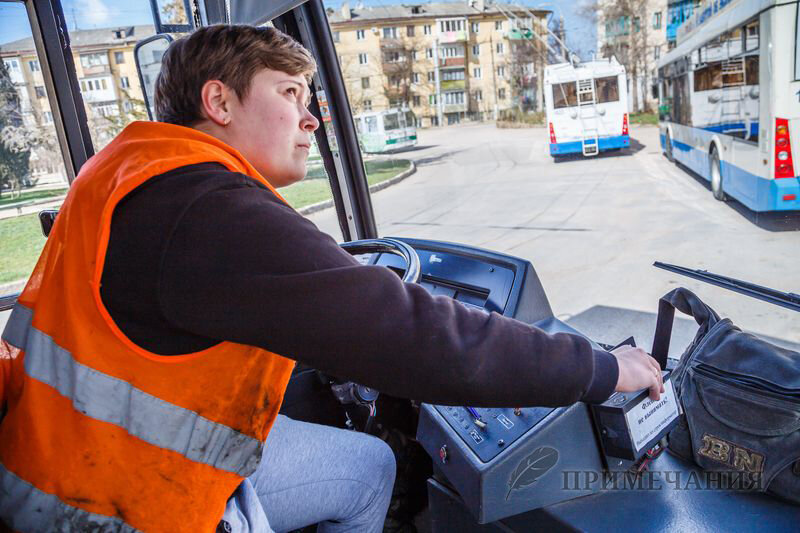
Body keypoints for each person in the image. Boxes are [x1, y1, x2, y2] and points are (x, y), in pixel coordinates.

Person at [0, 25, 663, 532]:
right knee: (371, 467)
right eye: (289, 95)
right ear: (218, 101)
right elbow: (411, 332)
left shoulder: (130, 171)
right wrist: (602, 368)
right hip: (103, 504)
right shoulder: (207, 208)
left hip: (56, 455)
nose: (312, 117)